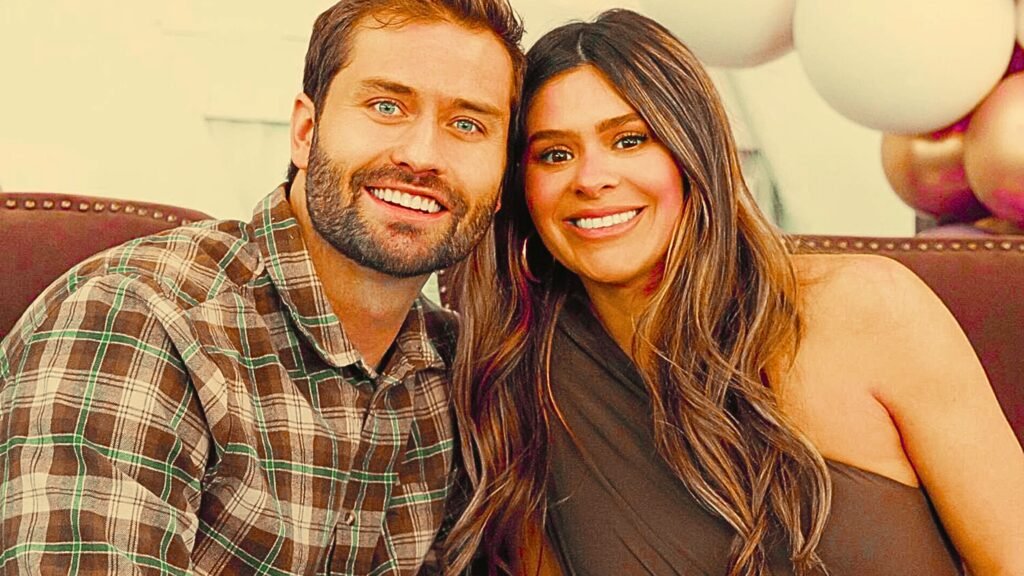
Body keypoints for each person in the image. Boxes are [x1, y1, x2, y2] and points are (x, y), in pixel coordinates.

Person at [444, 9, 1024, 576]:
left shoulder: (870, 308)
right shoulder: (522, 381)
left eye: (629, 140)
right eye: (555, 154)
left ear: (694, 152)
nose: (591, 179)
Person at [0, 1, 523, 573]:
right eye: (386, 105)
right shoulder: (139, 318)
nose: (422, 156)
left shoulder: (461, 374)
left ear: (502, 181)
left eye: (467, 124)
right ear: (305, 132)